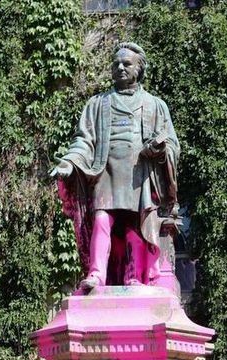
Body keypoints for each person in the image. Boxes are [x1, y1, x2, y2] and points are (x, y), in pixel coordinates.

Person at [52, 43, 179, 292]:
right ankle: (96, 274)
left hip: (140, 177)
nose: (120, 67)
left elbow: (173, 144)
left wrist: (161, 149)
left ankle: (133, 277)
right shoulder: (97, 104)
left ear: (139, 69)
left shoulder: (155, 105)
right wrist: (69, 162)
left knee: (135, 227)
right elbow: (84, 140)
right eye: (116, 63)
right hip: (106, 174)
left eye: (126, 63)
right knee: (101, 220)